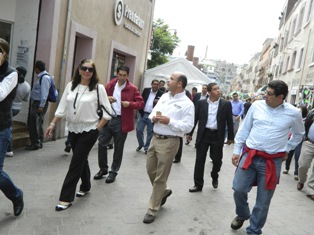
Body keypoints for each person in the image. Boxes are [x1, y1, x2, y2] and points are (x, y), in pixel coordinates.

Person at [230, 80, 304, 234]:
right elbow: (244, 128)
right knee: (238, 188)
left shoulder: (294, 112)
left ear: (280, 97)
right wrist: (237, 150)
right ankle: (243, 214)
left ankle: (254, 230)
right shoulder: (257, 106)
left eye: (269, 94)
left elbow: (299, 134)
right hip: (250, 155)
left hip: (272, 161)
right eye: (266, 93)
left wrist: (287, 150)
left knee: (263, 201)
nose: (265, 96)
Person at [45, 59, 112, 211]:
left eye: (90, 69)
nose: (87, 71)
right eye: (84, 68)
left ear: (94, 73)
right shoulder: (71, 85)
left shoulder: (98, 88)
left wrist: (97, 128)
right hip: (73, 130)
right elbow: (62, 107)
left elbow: (108, 112)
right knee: (81, 159)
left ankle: (65, 198)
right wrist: (52, 123)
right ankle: (86, 185)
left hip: (89, 130)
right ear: (79, 69)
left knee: (75, 163)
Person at [143, 71, 194, 224]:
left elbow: (188, 126)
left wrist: (169, 121)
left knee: (160, 177)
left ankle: (152, 209)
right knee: (150, 170)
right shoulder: (165, 96)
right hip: (155, 138)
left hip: (170, 142)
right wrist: (154, 117)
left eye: (171, 79)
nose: (167, 80)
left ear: (179, 84)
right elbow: (153, 111)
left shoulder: (187, 104)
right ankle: (164, 192)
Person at [94, 65, 144, 182]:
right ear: (117, 73)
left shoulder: (132, 88)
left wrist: (130, 104)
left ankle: (113, 171)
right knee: (101, 144)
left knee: (118, 148)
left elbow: (141, 103)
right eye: (120, 74)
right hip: (108, 118)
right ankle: (103, 169)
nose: (122, 77)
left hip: (122, 121)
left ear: (128, 75)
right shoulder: (111, 85)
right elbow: (100, 98)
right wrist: (108, 98)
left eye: (124, 75)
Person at [187, 83, 234, 192]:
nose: (218, 90)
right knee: (200, 160)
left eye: (218, 88)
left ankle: (214, 174)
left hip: (217, 136)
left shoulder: (226, 104)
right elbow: (195, 119)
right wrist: (190, 133)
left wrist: (231, 137)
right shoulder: (201, 103)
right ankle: (198, 184)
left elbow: (229, 122)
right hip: (204, 134)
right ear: (209, 92)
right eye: (215, 89)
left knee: (217, 160)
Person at [0, 38, 24, 216]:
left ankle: (16, 196)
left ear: (5, 54)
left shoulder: (11, 73)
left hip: (1, 128)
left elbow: (0, 94)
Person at [6, 66, 31, 157]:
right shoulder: (27, 85)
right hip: (17, 108)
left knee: (7, 128)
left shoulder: (12, 82)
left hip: (9, 107)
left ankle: (9, 148)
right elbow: (26, 99)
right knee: (7, 127)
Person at [26, 60, 50, 150]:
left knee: (34, 123)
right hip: (38, 103)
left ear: (37, 68)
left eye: (35, 68)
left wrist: (41, 105)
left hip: (39, 103)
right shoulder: (42, 77)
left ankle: (36, 143)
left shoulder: (44, 78)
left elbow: (44, 93)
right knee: (37, 122)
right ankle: (38, 142)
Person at [136, 79, 163, 154]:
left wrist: (158, 103)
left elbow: (162, 106)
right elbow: (141, 99)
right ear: (151, 84)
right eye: (154, 84)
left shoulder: (161, 94)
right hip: (143, 113)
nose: (156, 86)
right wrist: (139, 110)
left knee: (150, 133)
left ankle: (146, 148)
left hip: (152, 116)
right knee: (139, 130)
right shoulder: (146, 90)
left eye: (157, 85)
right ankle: (141, 144)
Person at [283, 106, 308, 180]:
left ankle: (296, 173)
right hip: (291, 138)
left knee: (297, 155)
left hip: (300, 140)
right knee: (289, 153)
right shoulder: (293, 118)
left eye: (300, 111)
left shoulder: (306, 120)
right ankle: (286, 168)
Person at [297, 108, 314, 200]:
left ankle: (311, 189)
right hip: (309, 142)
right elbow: (305, 125)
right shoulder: (312, 112)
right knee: (303, 165)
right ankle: (301, 180)